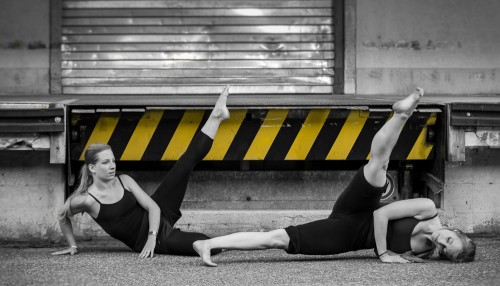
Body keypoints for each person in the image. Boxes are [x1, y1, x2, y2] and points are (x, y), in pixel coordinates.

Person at [193, 88, 476, 266]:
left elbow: (395, 240)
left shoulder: (425, 252)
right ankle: (402, 114)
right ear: (455, 231)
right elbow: (381, 217)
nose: (441, 244)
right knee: (378, 165)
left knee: (277, 240)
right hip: (360, 209)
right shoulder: (428, 211)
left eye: (445, 252)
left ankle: (209, 243)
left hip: (346, 232)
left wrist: (396, 253)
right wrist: (384, 254)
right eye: (449, 241)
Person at [52, 86, 231, 258]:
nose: (112, 166)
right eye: (105, 163)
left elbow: (152, 206)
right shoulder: (86, 200)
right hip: (155, 238)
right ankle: (246, 241)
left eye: (113, 161)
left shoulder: (124, 180)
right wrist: (72, 245)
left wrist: (152, 236)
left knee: (184, 163)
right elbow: (62, 215)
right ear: (92, 168)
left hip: (159, 213)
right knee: (209, 245)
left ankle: (216, 116)